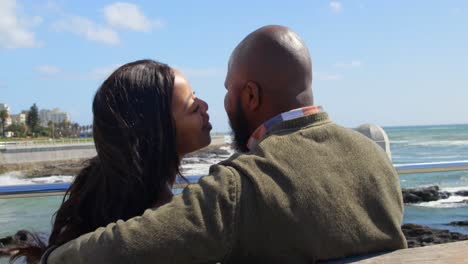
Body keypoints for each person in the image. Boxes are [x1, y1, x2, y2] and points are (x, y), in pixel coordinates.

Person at [42, 25, 407, 264]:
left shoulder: (242, 185)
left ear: (250, 95)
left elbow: (129, 245)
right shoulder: (375, 160)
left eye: (227, 89)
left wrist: (52, 259)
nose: (213, 104)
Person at [6, 59, 212, 263]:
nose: (205, 106)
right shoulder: (159, 225)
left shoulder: (105, 198)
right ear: (158, 132)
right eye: (193, 108)